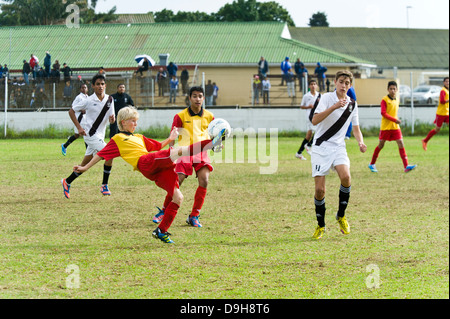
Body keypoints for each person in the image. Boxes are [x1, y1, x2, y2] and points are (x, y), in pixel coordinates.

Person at [73, 106, 225, 244]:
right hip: (145, 162)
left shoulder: (138, 137)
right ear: (123, 122)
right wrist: (85, 167)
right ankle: (212, 143)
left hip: (156, 169)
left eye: (136, 121)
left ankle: (161, 230)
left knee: (178, 197)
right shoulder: (117, 139)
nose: (136, 124)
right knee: (180, 151)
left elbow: (157, 145)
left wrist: (171, 139)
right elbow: (100, 154)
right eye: (133, 121)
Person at [310, 70, 367, 239]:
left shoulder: (352, 104)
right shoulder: (326, 98)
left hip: (338, 147)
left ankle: (341, 215)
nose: (344, 86)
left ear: (350, 86)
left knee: (346, 177)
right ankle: (321, 225)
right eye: (341, 82)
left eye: (347, 83)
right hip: (321, 147)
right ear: (335, 82)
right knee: (320, 190)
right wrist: (334, 106)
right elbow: (314, 120)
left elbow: (356, 128)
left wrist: (360, 141)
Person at [152, 86, 216, 229]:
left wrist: (217, 143)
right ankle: (163, 210)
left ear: (203, 98)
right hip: (184, 151)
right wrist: (171, 154)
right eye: (194, 96)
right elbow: (173, 136)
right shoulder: (180, 116)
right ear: (189, 98)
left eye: (200, 96)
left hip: (201, 152)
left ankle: (194, 215)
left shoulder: (210, 116)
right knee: (177, 182)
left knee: (204, 180)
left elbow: (214, 134)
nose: (197, 99)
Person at [60, 74, 115, 199]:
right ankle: (104, 185)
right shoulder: (88, 100)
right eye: (97, 84)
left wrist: (112, 120)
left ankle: (67, 181)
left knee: (84, 164)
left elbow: (112, 119)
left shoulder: (110, 100)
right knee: (109, 154)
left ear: (105, 85)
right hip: (90, 135)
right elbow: (71, 111)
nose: (100, 86)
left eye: (102, 84)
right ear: (93, 86)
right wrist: (79, 128)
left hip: (100, 136)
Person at [368, 81, 417, 174]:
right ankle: (372, 164)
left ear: (397, 90)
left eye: (394, 89)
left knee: (401, 143)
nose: (392, 90)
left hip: (395, 127)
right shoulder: (384, 100)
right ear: (388, 89)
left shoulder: (396, 100)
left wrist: (395, 121)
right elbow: (383, 113)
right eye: (391, 89)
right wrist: (395, 120)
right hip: (386, 127)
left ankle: (406, 166)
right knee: (381, 145)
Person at [61, 83, 89, 156]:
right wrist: (81, 110)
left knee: (81, 134)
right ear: (80, 89)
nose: (84, 89)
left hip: (85, 118)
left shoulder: (88, 97)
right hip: (79, 118)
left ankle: (64, 146)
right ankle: (88, 154)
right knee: (80, 135)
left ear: (87, 89)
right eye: (82, 88)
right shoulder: (79, 97)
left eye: (85, 88)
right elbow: (73, 106)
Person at [422, 77, 449, 150]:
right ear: (444, 82)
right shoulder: (443, 91)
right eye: (446, 81)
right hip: (440, 113)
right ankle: (425, 141)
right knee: (437, 129)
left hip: (447, 113)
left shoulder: (447, 90)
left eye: (448, 81)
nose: (448, 83)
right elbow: (442, 101)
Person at [296, 79, 320, 161]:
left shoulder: (319, 95)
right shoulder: (306, 96)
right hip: (309, 117)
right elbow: (301, 106)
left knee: (309, 135)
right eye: (311, 84)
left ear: (316, 86)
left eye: (314, 84)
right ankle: (309, 145)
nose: (313, 86)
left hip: (317, 116)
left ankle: (299, 153)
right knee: (318, 131)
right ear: (309, 86)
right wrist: (308, 107)